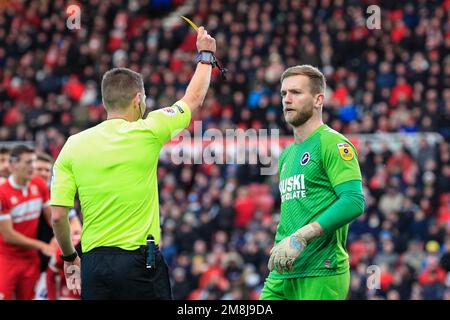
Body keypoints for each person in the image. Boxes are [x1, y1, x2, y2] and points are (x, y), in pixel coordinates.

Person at [50, 26, 216, 299]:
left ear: (106, 101)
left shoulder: (73, 145)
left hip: (93, 266)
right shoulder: (148, 130)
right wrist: (206, 54)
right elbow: (193, 98)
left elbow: (58, 216)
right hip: (139, 264)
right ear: (138, 99)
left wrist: (70, 257)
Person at [260, 65, 365, 300]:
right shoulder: (287, 155)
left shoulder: (334, 144)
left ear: (318, 99)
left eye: (296, 93)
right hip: (283, 270)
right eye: (284, 94)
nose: (287, 99)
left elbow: (354, 201)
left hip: (322, 270)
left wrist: (303, 236)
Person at [0, 145, 55, 300]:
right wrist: (42, 246)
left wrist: (59, 237)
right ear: (13, 164)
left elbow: (51, 218)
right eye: (27, 162)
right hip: (6, 259)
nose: (32, 167)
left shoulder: (38, 184)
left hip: (31, 259)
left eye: (33, 162)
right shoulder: (2, 193)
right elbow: (9, 235)